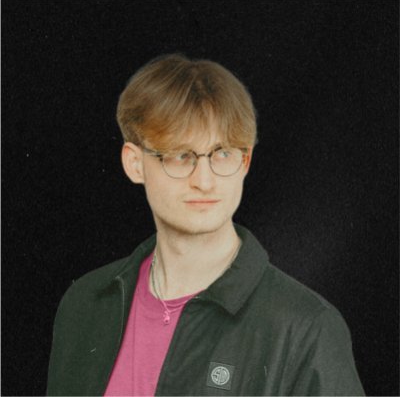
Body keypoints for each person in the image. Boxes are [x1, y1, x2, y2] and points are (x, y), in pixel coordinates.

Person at [47, 54, 365, 396]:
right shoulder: (84, 304)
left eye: (222, 153)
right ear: (134, 163)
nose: (204, 180)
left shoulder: (307, 328)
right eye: (180, 155)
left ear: (245, 162)